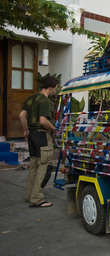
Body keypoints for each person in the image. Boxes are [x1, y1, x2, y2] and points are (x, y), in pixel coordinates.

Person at [19, 74, 58, 208]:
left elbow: (22, 115)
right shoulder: (45, 101)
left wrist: (26, 131)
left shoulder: (31, 98)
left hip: (32, 135)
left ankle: (30, 195)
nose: (56, 91)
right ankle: (37, 198)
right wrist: (54, 129)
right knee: (43, 166)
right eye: (56, 88)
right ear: (51, 87)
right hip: (42, 135)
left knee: (34, 166)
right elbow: (43, 121)